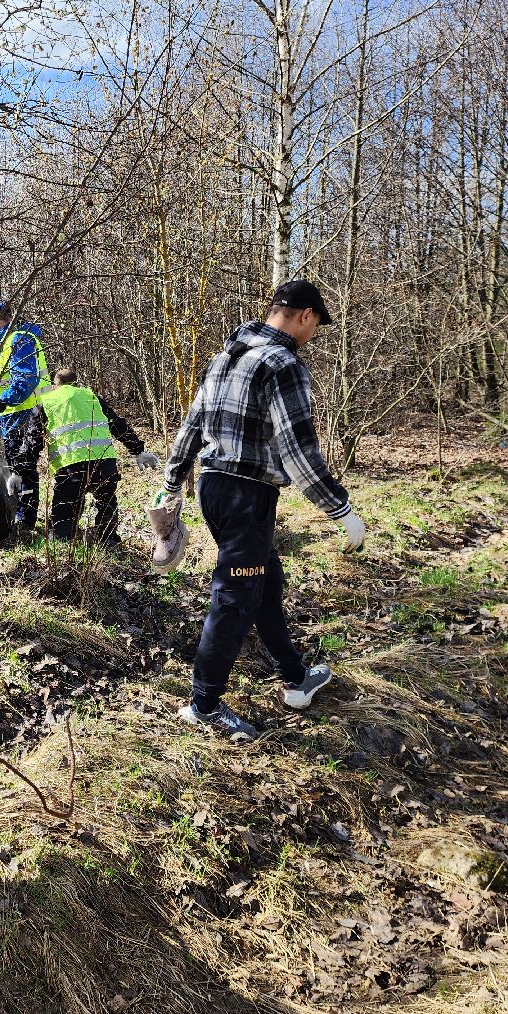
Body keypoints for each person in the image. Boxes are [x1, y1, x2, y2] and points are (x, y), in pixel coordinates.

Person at [160, 280, 366, 742]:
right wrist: (340, 509)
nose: (312, 335)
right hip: (246, 495)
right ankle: (204, 705)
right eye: (316, 325)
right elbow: (297, 450)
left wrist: (172, 481)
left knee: (265, 582)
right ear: (306, 315)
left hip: (213, 488)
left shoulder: (226, 356)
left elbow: (192, 423)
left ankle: (295, 678)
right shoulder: (282, 363)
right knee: (235, 597)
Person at [20, 368, 159, 545]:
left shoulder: (47, 401)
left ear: (55, 385)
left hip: (71, 467)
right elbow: (118, 424)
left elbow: (32, 441)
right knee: (106, 503)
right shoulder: (92, 397)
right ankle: (108, 541)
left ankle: (64, 545)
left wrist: (22, 469)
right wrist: (138, 450)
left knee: (65, 511)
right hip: (104, 463)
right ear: (76, 383)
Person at [0, 300, 51, 534]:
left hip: (25, 411)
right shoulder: (10, 340)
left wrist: (5, 400)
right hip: (14, 412)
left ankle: (25, 520)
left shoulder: (19, 339)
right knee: (17, 464)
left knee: (23, 465)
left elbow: (26, 379)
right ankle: (19, 514)